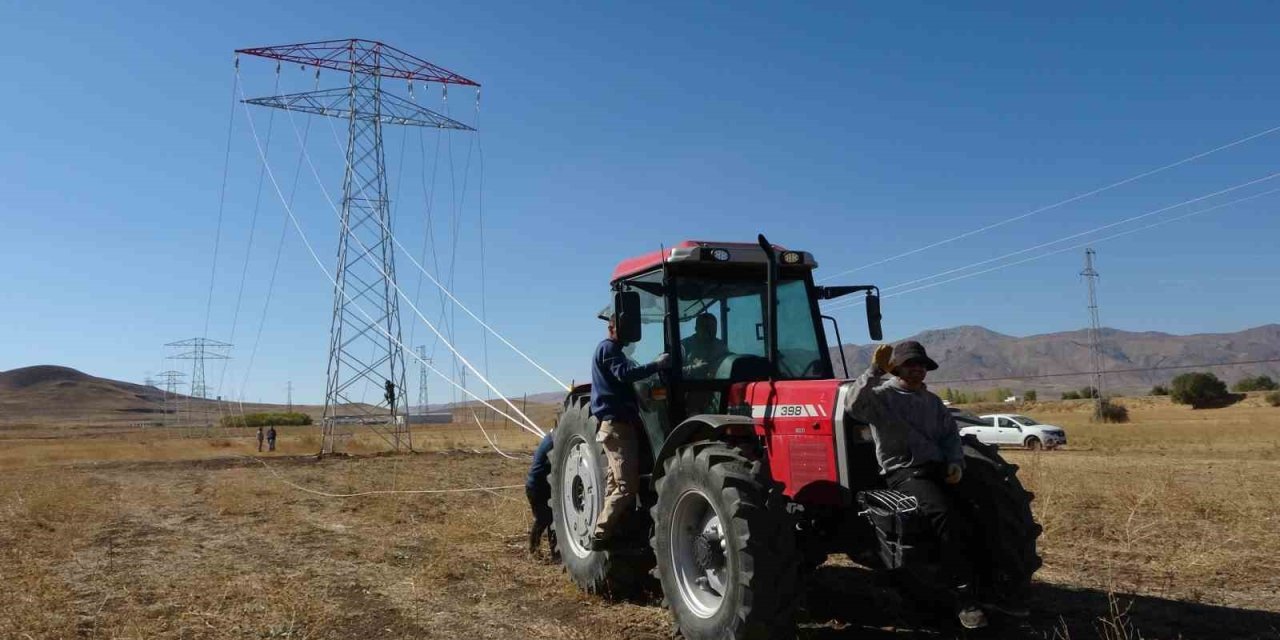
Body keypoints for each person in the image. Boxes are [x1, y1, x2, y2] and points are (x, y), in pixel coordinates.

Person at [845, 340, 1004, 630]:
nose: (917, 369)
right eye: (911, 364)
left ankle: (995, 583)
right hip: (905, 472)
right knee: (943, 514)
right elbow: (853, 405)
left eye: (921, 365)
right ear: (896, 368)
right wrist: (873, 371)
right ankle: (963, 597)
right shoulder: (881, 397)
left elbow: (949, 436)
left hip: (939, 469)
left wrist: (956, 461)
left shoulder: (932, 402)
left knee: (983, 508)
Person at [589, 314, 670, 550]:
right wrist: (657, 365)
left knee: (615, 486)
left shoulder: (613, 350)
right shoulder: (609, 349)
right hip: (617, 426)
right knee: (627, 488)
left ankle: (610, 534)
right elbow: (624, 374)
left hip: (618, 425)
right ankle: (600, 534)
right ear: (613, 328)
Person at [526, 433, 555, 556]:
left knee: (551, 518)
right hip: (537, 487)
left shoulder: (549, 438)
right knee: (543, 519)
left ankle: (554, 550)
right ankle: (533, 550)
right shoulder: (552, 442)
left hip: (540, 486)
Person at [680, 312, 728, 379]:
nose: (709, 331)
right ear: (696, 329)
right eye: (705, 327)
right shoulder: (684, 346)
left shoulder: (721, 346)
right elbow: (672, 373)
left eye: (713, 327)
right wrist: (694, 369)